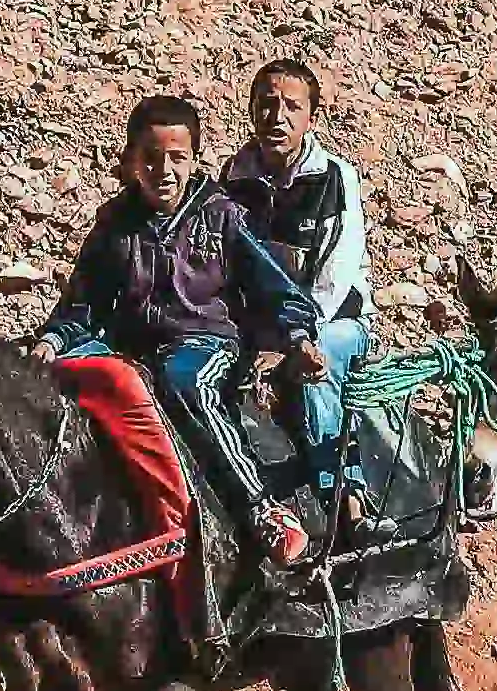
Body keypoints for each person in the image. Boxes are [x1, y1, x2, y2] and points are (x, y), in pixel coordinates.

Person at [44, 93, 326, 575]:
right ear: (132, 161)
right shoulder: (115, 224)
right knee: (59, 379)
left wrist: (298, 336)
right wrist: (53, 340)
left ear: (195, 158)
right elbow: (84, 303)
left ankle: (261, 509)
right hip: (132, 349)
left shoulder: (221, 214)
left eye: (177, 158)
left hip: (205, 343)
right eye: (151, 159)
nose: (164, 171)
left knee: (185, 381)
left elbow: (273, 288)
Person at [219, 56, 373, 528]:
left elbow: (335, 274)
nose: (276, 117)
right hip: (266, 327)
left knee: (317, 360)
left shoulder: (334, 178)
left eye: (291, 106)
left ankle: (343, 492)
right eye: (266, 105)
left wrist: (295, 341)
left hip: (332, 322)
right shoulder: (235, 177)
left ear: (310, 116)